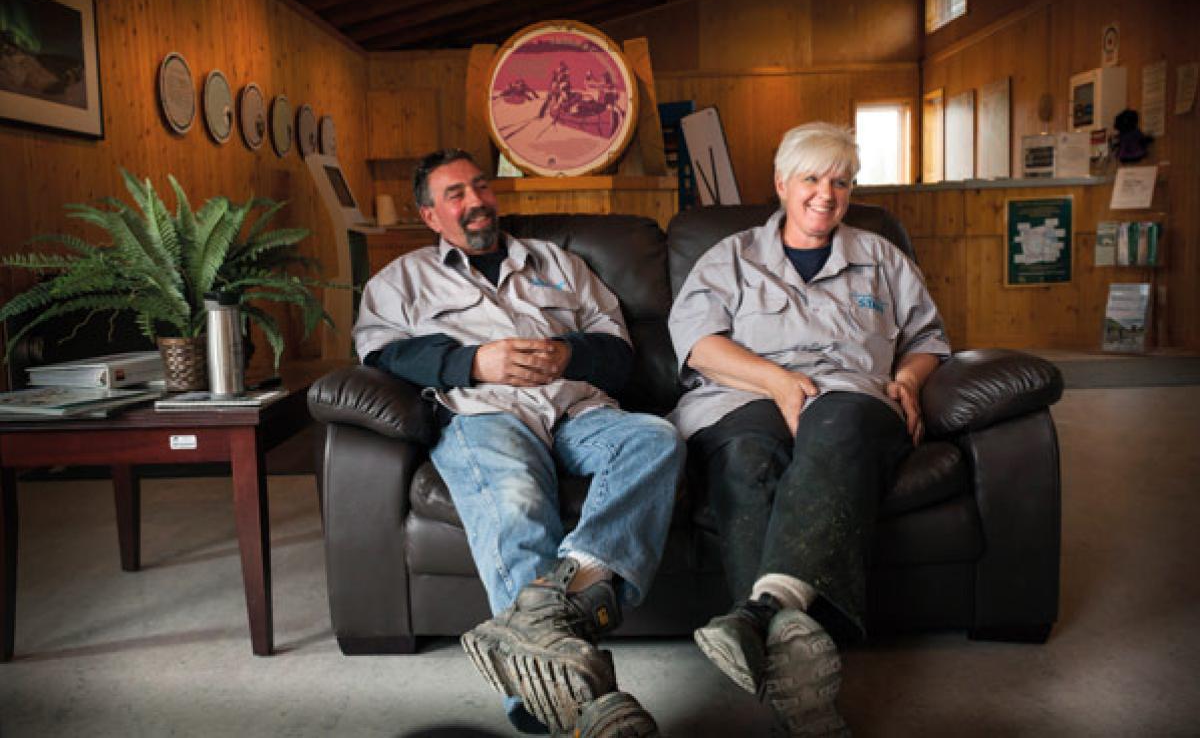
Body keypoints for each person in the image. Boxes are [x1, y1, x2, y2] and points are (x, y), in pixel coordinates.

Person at [353, 149, 683, 737]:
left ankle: (565, 595)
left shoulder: (558, 263)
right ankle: (570, 707)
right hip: (485, 416)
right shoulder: (400, 281)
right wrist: (472, 360)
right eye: (455, 194)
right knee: (516, 506)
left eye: (481, 186)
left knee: (655, 439)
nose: (475, 201)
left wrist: (569, 354)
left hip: (576, 407)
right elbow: (381, 355)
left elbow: (618, 346)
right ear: (430, 216)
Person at [667, 122, 951, 736]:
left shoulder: (882, 259)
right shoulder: (732, 258)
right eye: (812, 179)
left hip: (850, 397)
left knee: (838, 419)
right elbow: (697, 345)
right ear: (781, 184)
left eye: (841, 182)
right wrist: (776, 382)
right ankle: (802, 680)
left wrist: (906, 377)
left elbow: (928, 340)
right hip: (740, 397)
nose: (827, 194)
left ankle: (762, 611)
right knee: (743, 457)